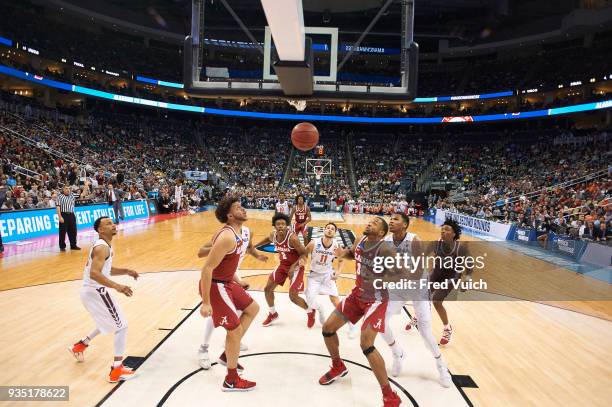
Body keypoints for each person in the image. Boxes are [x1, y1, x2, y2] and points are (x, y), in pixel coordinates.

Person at [321, 217, 402, 407]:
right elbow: (352, 253)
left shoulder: (386, 250)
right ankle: (337, 366)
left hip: (376, 299)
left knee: (366, 344)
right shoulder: (360, 240)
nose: (369, 223)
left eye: (374, 223)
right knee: (327, 329)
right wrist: (342, 253)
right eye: (370, 221)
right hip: (357, 295)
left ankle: (390, 395)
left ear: (381, 233)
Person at [199, 196, 260, 391]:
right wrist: (206, 302)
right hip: (215, 286)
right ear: (229, 214)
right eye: (238, 207)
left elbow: (227, 264)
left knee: (253, 308)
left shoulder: (240, 232)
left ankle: (228, 354)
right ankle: (231, 380)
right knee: (233, 331)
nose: (243, 209)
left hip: (227, 282)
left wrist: (239, 281)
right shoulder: (226, 236)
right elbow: (207, 268)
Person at [68, 216, 139, 383]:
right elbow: (95, 273)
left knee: (108, 321)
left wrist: (126, 271)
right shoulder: (102, 248)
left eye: (112, 222)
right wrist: (118, 286)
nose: (113, 225)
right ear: (100, 230)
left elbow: (104, 270)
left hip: (91, 291)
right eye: (108, 224)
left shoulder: (105, 246)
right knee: (121, 326)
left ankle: (80, 345)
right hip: (96, 291)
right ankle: (116, 370)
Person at [386, 213, 452, 386]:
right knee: (379, 322)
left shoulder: (414, 239)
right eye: (390, 218)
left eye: (396, 219)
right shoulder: (386, 241)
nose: (391, 221)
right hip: (399, 288)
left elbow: (418, 269)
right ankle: (397, 353)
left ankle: (440, 365)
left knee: (425, 332)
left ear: (405, 225)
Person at [197, 223, 267, 369]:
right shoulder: (225, 234)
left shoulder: (248, 232)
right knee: (214, 314)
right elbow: (201, 252)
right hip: (218, 275)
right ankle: (204, 349)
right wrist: (220, 248)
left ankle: (231, 345)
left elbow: (249, 247)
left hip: (231, 273)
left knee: (247, 308)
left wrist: (257, 255)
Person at [254, 213, 308, 327]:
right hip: (283, 265)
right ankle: (273, 313)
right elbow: (267, 239)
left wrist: (293, 267)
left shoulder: (292, 238)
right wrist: (254, 246)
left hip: (297, 266)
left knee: (293, 296)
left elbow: (304, 253)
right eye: (278, 224)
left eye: (283, 224)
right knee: (267, 289)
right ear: (274, 226)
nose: (281, 226)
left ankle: (310, 311)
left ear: (287, 225)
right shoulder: (273, 235)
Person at [429, 219, 472, 346]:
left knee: (436, 301)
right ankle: (419, 317)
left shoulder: (460, 248)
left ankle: (447, 328)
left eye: (447, 229)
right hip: (436, 274)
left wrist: (467, 279)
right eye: (442, 228)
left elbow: (469, 265)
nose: (443, 230)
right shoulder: (437, 243)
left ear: (454, 234)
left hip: (451, 277)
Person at [304, 222, 344, 328]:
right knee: (310, 300)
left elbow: (341, 260)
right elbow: (304, 254)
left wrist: (338, 272)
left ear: (335, 233)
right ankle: (320, 309)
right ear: (324, 230)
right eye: (328, 228)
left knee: (335, 299)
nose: (330, 230)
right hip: (314, 275)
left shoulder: (336, 245)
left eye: (332, 229)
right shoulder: (314, 243)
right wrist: (302, 261)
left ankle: (346, 321)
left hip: (327, 274)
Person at [57, 185, 80, 251]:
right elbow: (58, 207)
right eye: (66, 188)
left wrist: (86, 186)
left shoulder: (72, 195)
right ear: (63, 190)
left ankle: (73, 245)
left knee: (73, 230)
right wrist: (60, 216)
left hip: (72, 215)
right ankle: (62, 246)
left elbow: (82, 194)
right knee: (62, 231)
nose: (68, 190)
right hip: (64, 214)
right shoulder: (60, 196)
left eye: (69, 188)